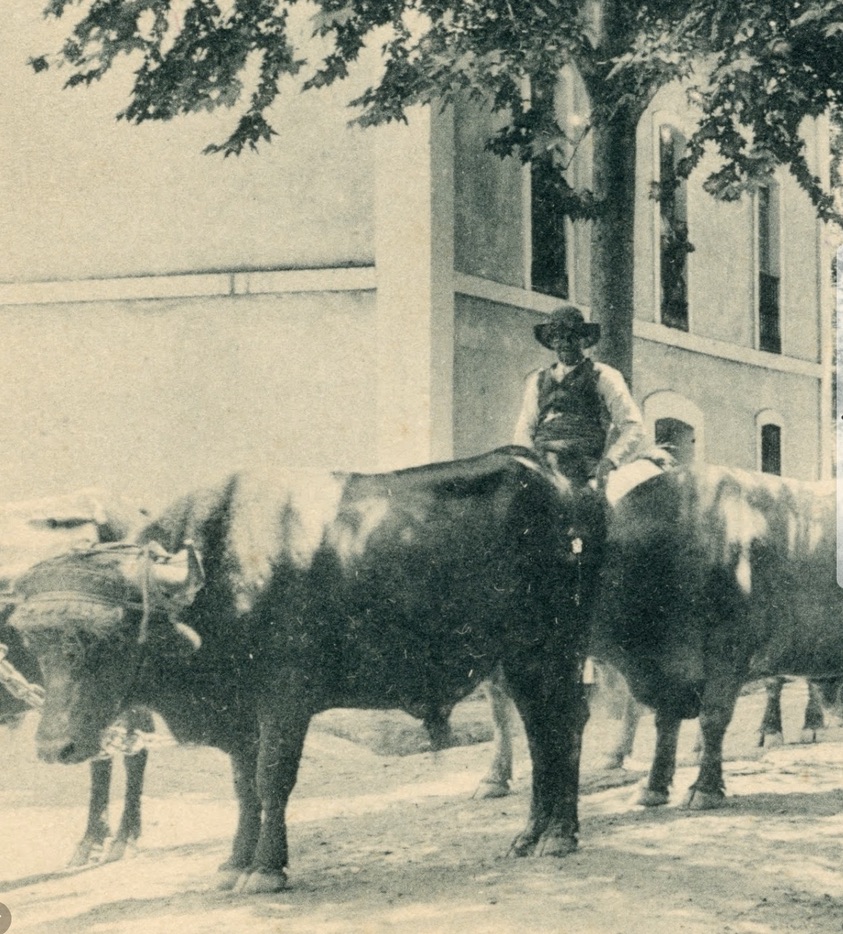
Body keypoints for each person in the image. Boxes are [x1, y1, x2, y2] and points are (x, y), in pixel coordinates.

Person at [513, 304, 645, 486]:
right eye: (558, 338)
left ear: (583, 340)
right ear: (552, 342)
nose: (565, 344)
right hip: (542, 466)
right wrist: (527, 465)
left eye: (572, 337)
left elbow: (634, 425)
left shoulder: (603, 376)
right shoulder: (538, 380)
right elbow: (525, 428)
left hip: (583, 468)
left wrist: (610, 461)